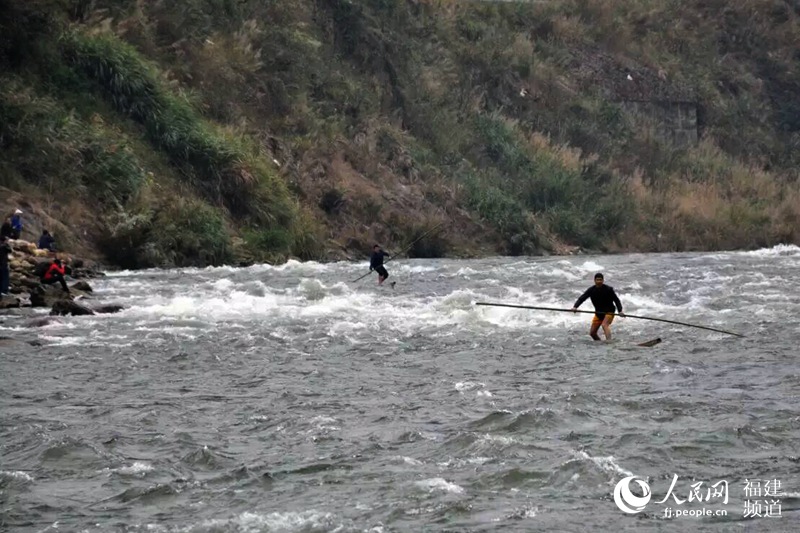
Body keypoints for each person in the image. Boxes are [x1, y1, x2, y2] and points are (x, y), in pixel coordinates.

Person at [571, 272, 624, 341]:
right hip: (599, 313)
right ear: (594, 281)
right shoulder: (591, 290)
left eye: (600, 280)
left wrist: (620, 311)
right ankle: (599, 343)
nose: (599, 282)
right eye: (597, 280)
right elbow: (582, 298)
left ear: (603, 280)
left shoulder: (609, 289)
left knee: (604, 325)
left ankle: (609, 342)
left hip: (609, 311)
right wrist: (575, 307)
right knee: (592, 333)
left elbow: (616, 300)